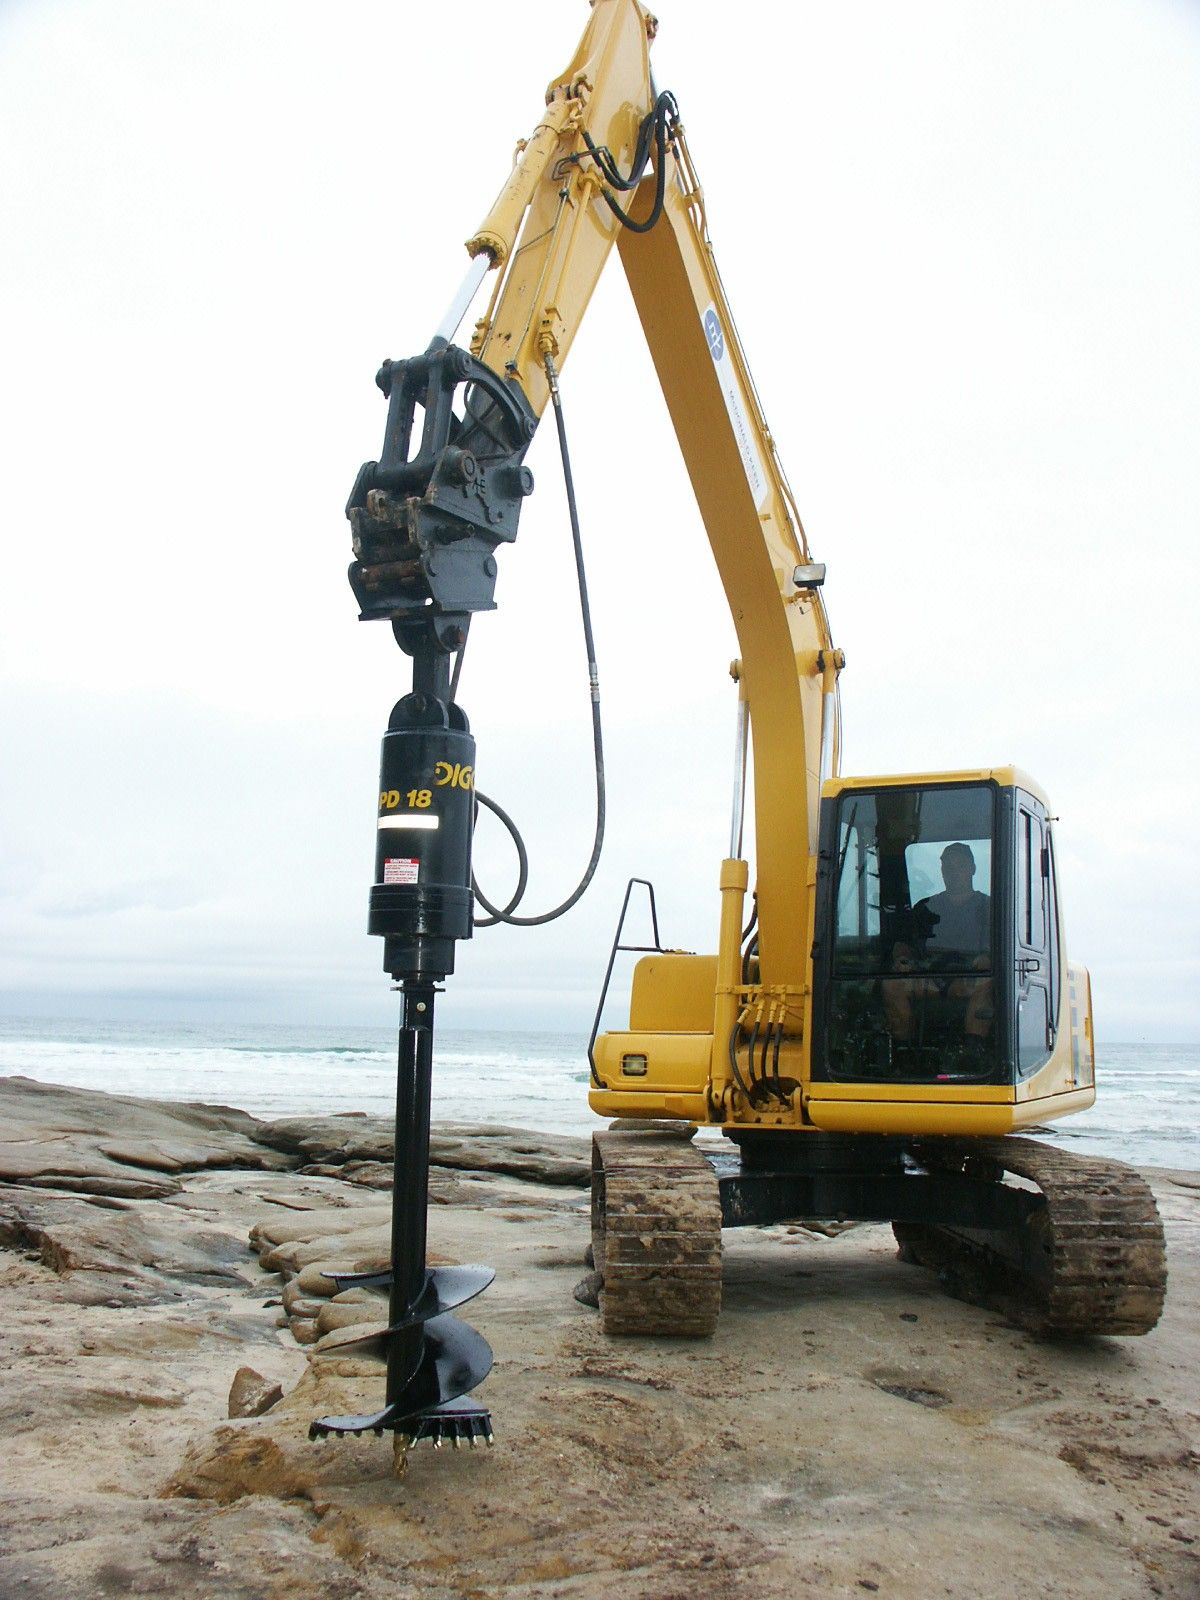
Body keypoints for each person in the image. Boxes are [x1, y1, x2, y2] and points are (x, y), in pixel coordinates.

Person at [916, 841, 990, 956]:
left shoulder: (991, 908)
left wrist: (987, 960)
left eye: (961, 865)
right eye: (948, 866)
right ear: (942, 871)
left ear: (973, 869)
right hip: (931, 972)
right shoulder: (924, 908)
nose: (954, 872)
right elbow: (905, 947)